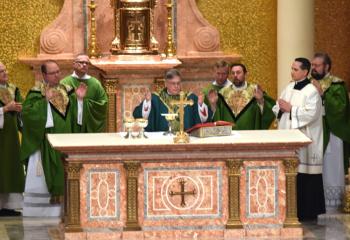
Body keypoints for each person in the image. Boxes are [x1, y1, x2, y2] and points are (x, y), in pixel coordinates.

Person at [20, 60, 78, 217]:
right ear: (44, 75)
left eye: (58, 71)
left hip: (66, 141)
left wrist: (79, 101)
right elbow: (26, 114)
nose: (57, 75)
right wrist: (44, 101)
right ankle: (42, 210)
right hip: (45, 143)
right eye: (53, 73)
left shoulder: (66, 91)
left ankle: (65, 208)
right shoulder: (36, 92)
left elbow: (75, 118)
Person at [273, 57, 325, 221]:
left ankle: (307, 212)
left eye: (295, 69)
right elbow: (278, 106)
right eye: (292, 68)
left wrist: (291, 109)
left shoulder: (311, 91)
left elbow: (311, 114)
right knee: (290, 174)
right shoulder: (289, 87)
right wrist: (280, 107)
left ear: (305, 71)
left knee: (305, 176)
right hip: (288, 137)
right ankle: (289, 211)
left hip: (306, 141)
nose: (292, 72)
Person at [310, 52, 350, 212]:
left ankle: (332, 203)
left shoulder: (336, 85)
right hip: (313, 133)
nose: (313, 68)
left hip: (332, 133)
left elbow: (341, 109)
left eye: (317, 65)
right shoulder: (307, 83)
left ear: (326, 67)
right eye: (312, 65)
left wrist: (323, 94)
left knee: (331, 166)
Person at [133, 69, 210, 132]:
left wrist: (200, 105)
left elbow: (205, 119)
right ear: (166, 83)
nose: (176, 86)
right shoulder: (156, 98)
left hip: (186, 138)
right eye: (173, 83)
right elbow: (139, 115)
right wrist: (147, 102)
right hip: (162, 140)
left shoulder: (190, 98)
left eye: (178, 83)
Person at [208, 63, 275, 129]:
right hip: (229, 135)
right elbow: (217, 118)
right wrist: (213, 104)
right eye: (233, 73)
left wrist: (261, 101)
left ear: (245, 74)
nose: (235, 75)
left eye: (238, 72)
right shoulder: (223, 93)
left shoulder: (255, 91)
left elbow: (269, 112)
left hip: (249, 135)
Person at [0, 62, 25, 216]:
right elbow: (7, 108)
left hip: (11, 138)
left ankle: (9, 206)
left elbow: (21, 111)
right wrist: (4, 109)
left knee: (11, 169)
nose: (5, 72)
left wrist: (20, 110)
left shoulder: (13, 89)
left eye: (5, 69)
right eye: (1, 71)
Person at [61, 54, 108, 133]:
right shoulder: (65, 83)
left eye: (87, 63)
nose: (84, 65)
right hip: (70, 127)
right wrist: (78, 100)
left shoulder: (95, 83)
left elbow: (103, 104)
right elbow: (58, 106)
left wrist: (83, 102)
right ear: (74, 64)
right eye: (81, 62)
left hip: (89, 126)